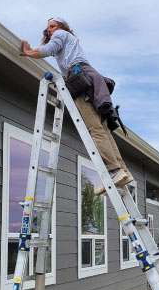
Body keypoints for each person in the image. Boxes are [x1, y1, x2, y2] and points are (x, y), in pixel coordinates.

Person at [20, 17, 133, 195]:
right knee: (102, 129)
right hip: (91, 78)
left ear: (61, 27)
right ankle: (122, 171)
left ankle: (114, 171)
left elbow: (48, 49)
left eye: (53, 26)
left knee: (94, 129)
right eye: (48, 28)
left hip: (81, 80)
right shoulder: (70, 41)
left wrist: (27, 52)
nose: (50, 30)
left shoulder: (60, 34)